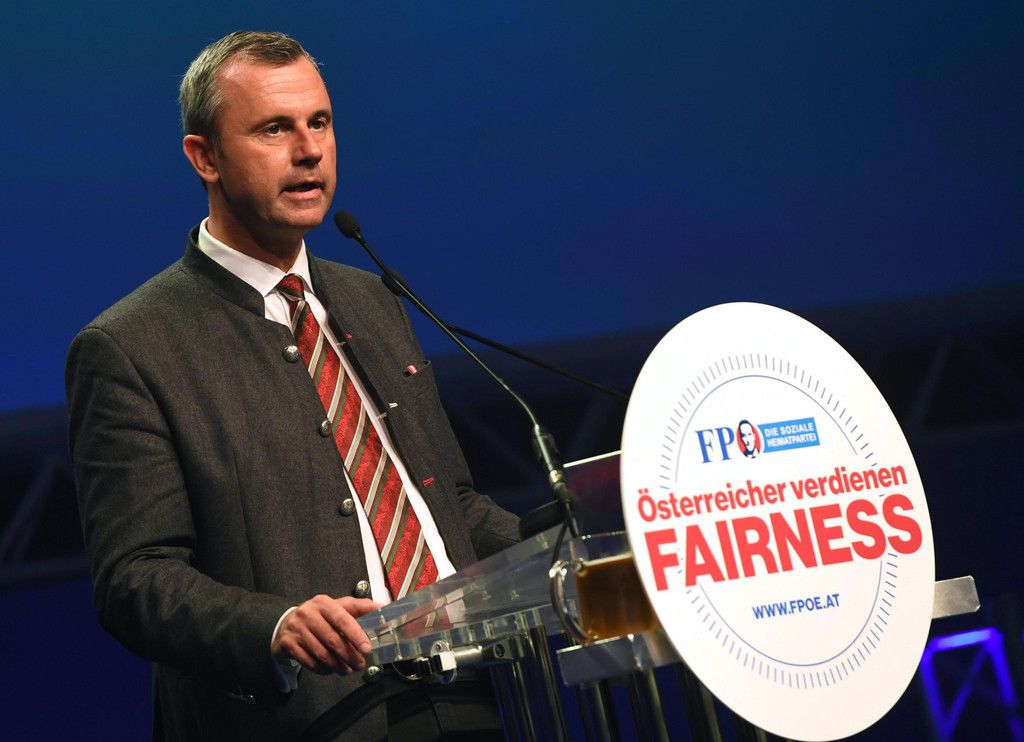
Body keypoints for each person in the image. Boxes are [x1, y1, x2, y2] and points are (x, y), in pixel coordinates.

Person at [65, 30, 519, 741]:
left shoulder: (374, 300)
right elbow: (136, 578)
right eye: (274, 129)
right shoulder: (131, 346)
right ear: (204, 157)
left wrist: (576, 539)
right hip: (311, 719)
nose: (309, 150)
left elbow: (450, 509)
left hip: (471, 702)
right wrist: (273, 626)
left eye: (320, 123)